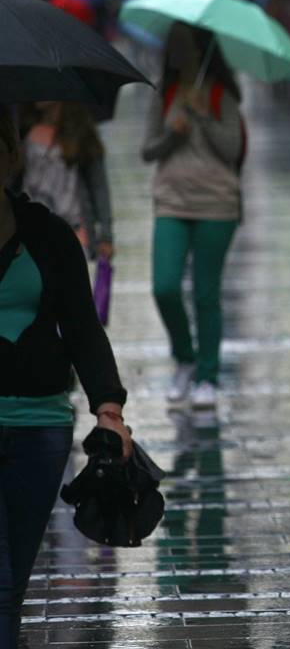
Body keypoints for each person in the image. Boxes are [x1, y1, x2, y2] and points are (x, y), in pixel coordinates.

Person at [0, 112, 132, 648]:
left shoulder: (50, 235)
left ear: (12, 156)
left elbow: (82, 329)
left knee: (11, 588)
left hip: (40, 427)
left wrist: (109, 410)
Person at [142, 23, 246, 410]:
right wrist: (172, 133)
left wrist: (203, 117)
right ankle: (184, 357)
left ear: (203, 49)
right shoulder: (164, 92)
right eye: (175, 46)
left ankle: (208, 375)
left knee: (206, 292)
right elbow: (148, 150)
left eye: (187, 45)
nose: (179, 53)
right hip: (171, 199)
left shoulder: (222, 93)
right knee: (164, 286)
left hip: (217, 203)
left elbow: (232, 150)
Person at [19, 101, 114, 261]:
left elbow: (99, 188)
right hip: (32, 229)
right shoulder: (22, 132)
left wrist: (106, 236)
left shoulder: (81, 134)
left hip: (75, 229)